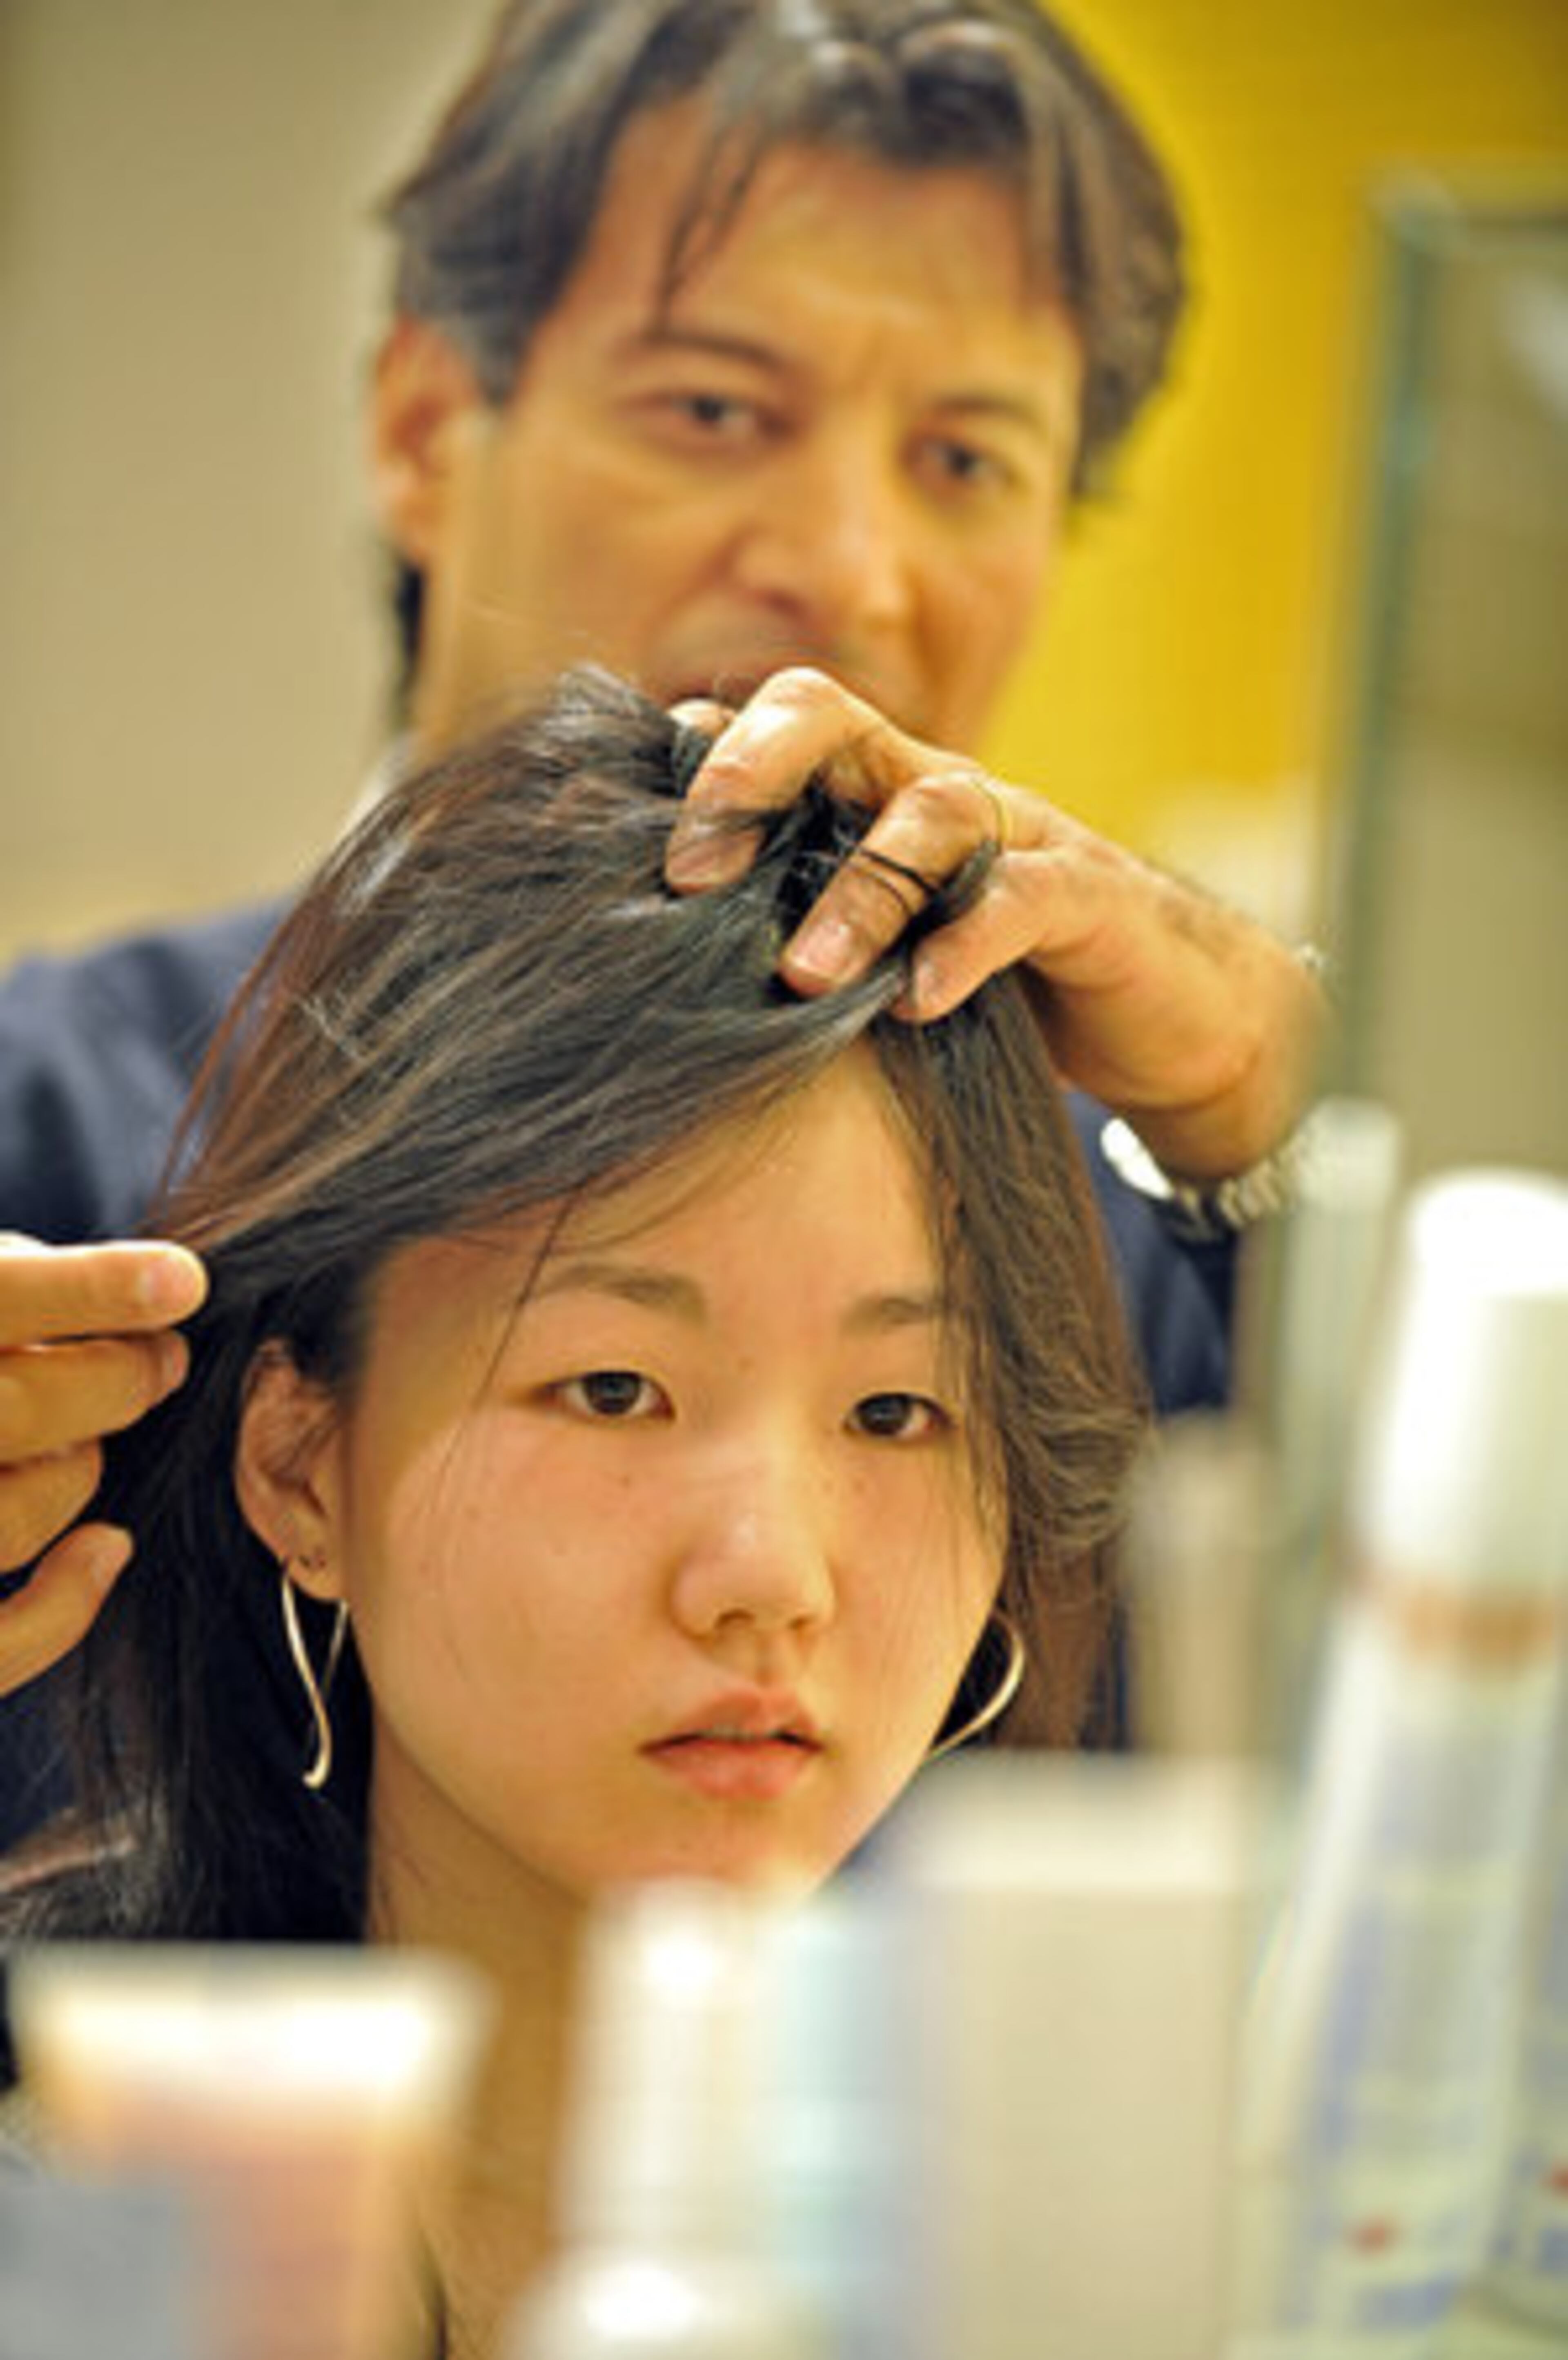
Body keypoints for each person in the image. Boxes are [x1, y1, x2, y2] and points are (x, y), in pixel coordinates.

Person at [0, 0, 1325, 1738]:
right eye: (716, 406)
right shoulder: (49, 1132)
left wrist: (1277, 1118)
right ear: (419, 431)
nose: (850, 570)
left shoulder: (1149, 1229)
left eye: (965, 463)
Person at [1, 668, 1146, 2354]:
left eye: (898, 1410)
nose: (771, 1576)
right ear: (302, 1467)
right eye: (615, 1388)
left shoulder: (1080, 2254)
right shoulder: (83, 2188)